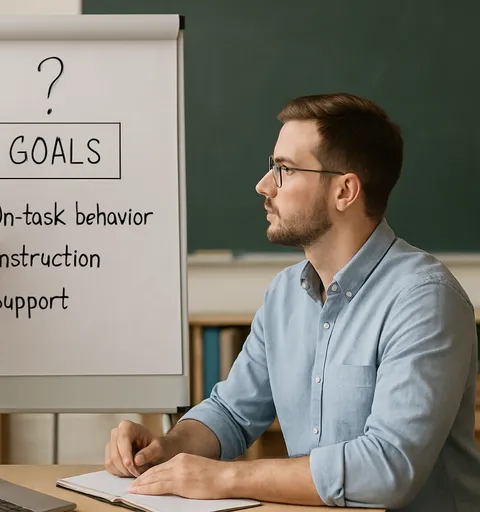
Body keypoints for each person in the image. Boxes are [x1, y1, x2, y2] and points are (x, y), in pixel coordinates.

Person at [105, 93, 480, 511]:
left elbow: (388, 468)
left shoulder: (425, 300)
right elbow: (231, 413)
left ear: (344, 191)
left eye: (283, 169)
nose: (264, 186)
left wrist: (224, 477)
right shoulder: (284, 294)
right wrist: (164, 448)